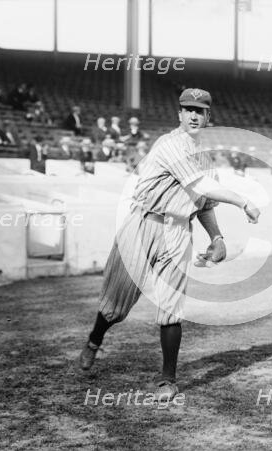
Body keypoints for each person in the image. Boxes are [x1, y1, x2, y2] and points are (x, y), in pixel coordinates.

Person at [78, 88, 261, 401]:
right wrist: (243, 201)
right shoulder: (169, 143)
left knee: (172, 307)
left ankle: (167, 379)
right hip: (144, 223)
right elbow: (200, 185)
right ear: (179, 114)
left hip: (178, 231)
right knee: (116, 304)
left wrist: (216, 237)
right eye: (187, 109)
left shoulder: (206, 158)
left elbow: (204, 204)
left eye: (199, 111)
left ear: (208, 117)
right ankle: (95, 340)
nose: (193, 115)